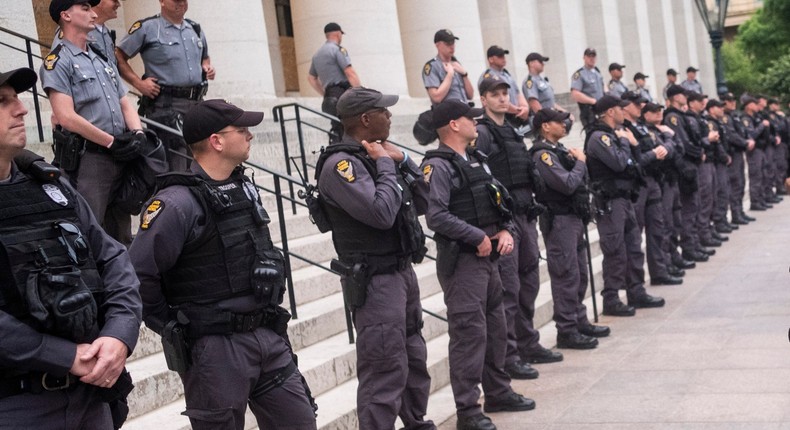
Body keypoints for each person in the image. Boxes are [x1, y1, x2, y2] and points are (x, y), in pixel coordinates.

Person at [128, 100, 318, 430]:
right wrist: (174, 325)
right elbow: (139, 274)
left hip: (267, 334)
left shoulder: (244, 187)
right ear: (216, 141)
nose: (250, 136)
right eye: (242, 130)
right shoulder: (176, 203)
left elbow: (260, 248)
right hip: (216, 349)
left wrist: (272, 264)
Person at [0, 66, 141, 429]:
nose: (21, 110)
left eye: (16, 99)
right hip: (17, 406)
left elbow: (111, 257)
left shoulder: (49, 183)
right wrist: (62, 355)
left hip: (89, 396)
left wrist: (119, 333)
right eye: (3, 102)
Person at [313, 88, 434, 430]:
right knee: (383, 365)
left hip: (400, 271)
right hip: (375, 279)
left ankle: (416, 421)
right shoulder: (342, 165)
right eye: (385, 111)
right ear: (366, 119)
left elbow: (425, 201)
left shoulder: (378, 157)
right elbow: (380, 213)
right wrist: (384, 164)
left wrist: (404, 162)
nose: (391, 116)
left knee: (413, 355)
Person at [417, 99, 535, 430]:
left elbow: (498, 201)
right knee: (469, 335)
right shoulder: (437, 166)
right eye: (470, 118)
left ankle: (498, 391)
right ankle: (467, 410)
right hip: (465, 262)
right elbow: (436, 215)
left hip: (490, 259)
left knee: (496, 329)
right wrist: (476, 237)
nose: (476, 122)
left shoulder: (476, 160)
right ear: (454, 125)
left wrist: (505, 230)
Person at [474, 77, 562, 376]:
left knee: (529, 282)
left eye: (504, 94)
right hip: (506, 221)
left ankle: (527, 342)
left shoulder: (511, 130)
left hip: (526, 215)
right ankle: (508, 355)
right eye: (494, 95)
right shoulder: (483, 133)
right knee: (508, 289)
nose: (501, 99)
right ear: (483, 100)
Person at [42, 0, 145, 247]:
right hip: (91, 158)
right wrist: (109, 141)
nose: (93, 13)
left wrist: (138, 133)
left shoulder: (99, 56)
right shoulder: (58, 61)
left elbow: (124, 101)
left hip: (120, 153)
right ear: (66, 15)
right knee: (91, 230)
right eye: (85, 9)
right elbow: (65, 116)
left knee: (121, 230)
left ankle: (124, 283)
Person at [530, 108, 610, 349]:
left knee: (580, 273)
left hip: (574, 218)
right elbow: (567, 184)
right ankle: (566, 329)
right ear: (545, 126)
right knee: (566, 275)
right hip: (559, 220)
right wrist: (581, 164)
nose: (564, 125)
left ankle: (578, 320)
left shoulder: (560, 150)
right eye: (558, 122)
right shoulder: (542, 154)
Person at [584, 95, 665, 317]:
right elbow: (620, 163)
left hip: (625, 198)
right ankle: (611, 298)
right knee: (615, 250)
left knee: (633, 247)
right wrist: (624, 142)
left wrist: (632, 144)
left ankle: (636, 291)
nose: (624, 112)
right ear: (611, 112)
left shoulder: (614, 135)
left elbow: (632, 166)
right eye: (620, 108)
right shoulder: (600, 137)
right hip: (610, 202)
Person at [116, 0, 215, 172]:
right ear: (162, 1)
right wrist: (139, 84)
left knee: (202, 158)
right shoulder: (148, 27)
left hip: (196, 103)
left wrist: (207, 67)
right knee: (177, 161)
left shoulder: (195, 28)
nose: (181, 4)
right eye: (176, 0)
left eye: (184, 0)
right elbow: (119, 55)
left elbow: (205, 57)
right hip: (166, 105)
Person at [619, 92, 682, 285]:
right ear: (626, 106)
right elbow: (632, 161)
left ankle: (659, 272)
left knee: (657, 228)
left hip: (653, 181)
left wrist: (664, 148)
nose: (640, 107)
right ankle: (633, 282)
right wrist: (654, 154)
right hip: (638, 185)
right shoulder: (623, 130)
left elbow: (666, 148)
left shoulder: (643, 128)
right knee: (635, 235)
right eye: (637, 105)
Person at [641, 102, 696, 273]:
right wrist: (669, 141)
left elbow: (677, 150)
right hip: (661, 180)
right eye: (654, 111)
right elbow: (664, 153)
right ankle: (665, 263)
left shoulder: (662, 130)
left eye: (660, 111)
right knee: (664, 224)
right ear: (646, 115)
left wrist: (670, 139)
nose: (659, 113)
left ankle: (673, 257)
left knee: (674, 222)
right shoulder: (648, 132)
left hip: (671, 179)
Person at [663, 86, 713, 263]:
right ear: (676, 97)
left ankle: (693, 244)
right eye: (683, 94)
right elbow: (682, 144)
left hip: (689, 166)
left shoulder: (680, 116)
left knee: (694, 206)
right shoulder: (672, 117)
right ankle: (689, 247)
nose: (686, 97)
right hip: (684, 167)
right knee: (688, 209)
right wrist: (698, 152)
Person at [307, 22, 361, 143]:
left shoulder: (317, 55)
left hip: (329, 99)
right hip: (343, 96)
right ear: (338, 34)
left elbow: (311, 78)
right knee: (353, 129)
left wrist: (325, 93)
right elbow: (349, 72)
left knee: (338, 129)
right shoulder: (338, 50)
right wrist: (360, 92)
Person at [686, 92, 726, 249]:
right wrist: (707, 140)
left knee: (711, 197)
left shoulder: (700, 119)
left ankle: (708, 230)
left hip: (710, 159)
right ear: (691, 103)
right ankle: (703, 233)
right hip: (702, 161)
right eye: (698, 101)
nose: (703, 102)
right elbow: (693, 142)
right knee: (704, 199)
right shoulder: (690, 119)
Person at [52, 0, 121, 67]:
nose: (118, 4)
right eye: (114, 0)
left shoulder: (105, 31)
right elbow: (60, 60)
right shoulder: (73, 30)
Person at [720, 92, 754, 225]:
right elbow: (731, 135)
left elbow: (742, 132)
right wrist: (745, 143)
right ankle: (735, 213)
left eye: (733, 99)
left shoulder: (734, 116)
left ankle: (739, 211)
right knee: (735, 184)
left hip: (739, 153)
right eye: (729, 100)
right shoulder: (725, 118)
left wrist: (746, 140)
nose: (732, 102)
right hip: (733, 154)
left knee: (740, 184)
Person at [705, 99, 737, 234]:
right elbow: (716, 144)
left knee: (724, 191)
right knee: (720, 191)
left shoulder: (718, 122)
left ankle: (722, 219)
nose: (722, 109)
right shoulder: (711, 123)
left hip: (721, 160)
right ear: (711, 109)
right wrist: (724, 156)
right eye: (719, 107)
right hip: (717, 161)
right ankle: (719, 220)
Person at [477, 46, 529, 124]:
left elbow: (518, 93)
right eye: (500, 56)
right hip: (501, 117)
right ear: (491, 59)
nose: (503, 58)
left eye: (504, 56)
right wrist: (517, 110)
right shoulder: (488, 76)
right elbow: (491, 98)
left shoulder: (507, 74)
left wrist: (525, 107)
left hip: (516, 116)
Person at [423, 29, 474, 106]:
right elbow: (436, 97)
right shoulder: (432, 66)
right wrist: (449, 75)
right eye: (448, 44)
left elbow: (470, 95)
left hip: (465, 109)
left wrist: (464, 75)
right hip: (447, 113)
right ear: (438, 45)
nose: (452, 47)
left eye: (453, 43)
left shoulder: (456, 63)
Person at [741, 95, 772, 211]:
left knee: (763, 174)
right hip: (754, 150)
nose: (756, 106)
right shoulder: (746, 119)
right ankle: (755, 201)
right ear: (748, 106)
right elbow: (752, 134)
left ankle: (761, 198)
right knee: (756, 176)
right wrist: (762, 126)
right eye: (754, 104)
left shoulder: (756, 117)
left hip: (761, 148)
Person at [570, 48, 605, 127]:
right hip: (589, 111)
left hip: (601, 110)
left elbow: (603, 88)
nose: (591, 58)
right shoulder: (579, 74)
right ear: (584, 58)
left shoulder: (597, 72)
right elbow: (575, 94)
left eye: (593, 56)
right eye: (589, 56)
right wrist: (593, 101)